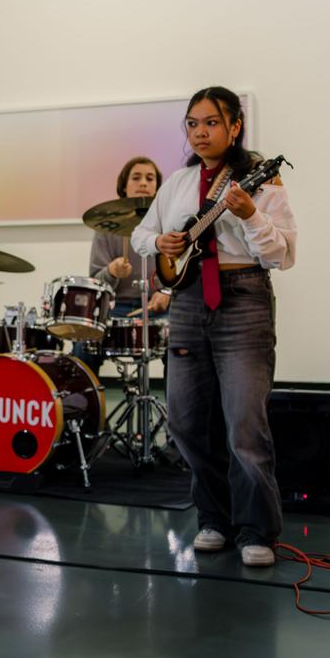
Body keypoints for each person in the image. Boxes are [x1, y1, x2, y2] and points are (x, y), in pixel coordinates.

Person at [130, 87, 296, 568]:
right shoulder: (178, 182)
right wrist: (159, 240)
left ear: (235, 127)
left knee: (245, 423)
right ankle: (213, 518)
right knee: (184, 419)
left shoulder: (261, 179)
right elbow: (143, 234)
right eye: (192, 124)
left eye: (211, 123)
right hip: (185, 303)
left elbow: (280, 255)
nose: (200, 133)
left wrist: (250, 216)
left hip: (242, 299)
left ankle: (255, 529)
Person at [77, 155, 168, 367]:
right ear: (124, 186)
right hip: (116, 308)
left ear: (157, 187)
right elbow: (96, 282)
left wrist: (166, 292)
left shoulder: (169, 222)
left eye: (150, 178)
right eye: (136, 178)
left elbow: (183, 269)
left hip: (159, 309)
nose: (144, 183)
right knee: (83, 345)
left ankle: (177, 402)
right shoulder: (106, 228)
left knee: (184, 345)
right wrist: (111, 271)